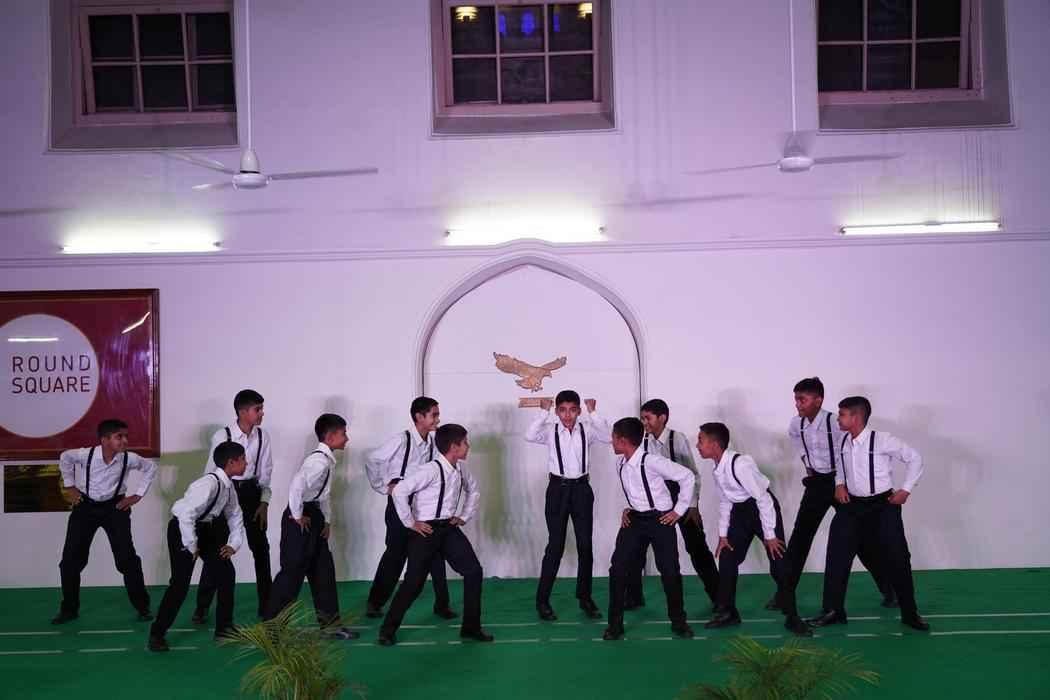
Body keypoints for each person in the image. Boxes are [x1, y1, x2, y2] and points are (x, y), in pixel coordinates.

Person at [771, 377, 894, 613]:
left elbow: (846, 453)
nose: (797, 404)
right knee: (799, 538)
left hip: (840, 485)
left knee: (861, 540)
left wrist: (842, 484)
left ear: (818, 400)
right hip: (816, 484)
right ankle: (783, 594)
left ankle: (890, 590)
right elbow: (796, 441)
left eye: (802, 399)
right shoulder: (796, 424)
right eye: (796, 399)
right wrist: (807, 463)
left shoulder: (833, 422)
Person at [808, 397, 929, 632]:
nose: (838, 418)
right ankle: (833, 611)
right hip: (852, 507)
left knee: (898, 557)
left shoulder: (882, 439)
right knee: (837, 554)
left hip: (883, 506)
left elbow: (915, 458)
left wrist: (906, 489)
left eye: (842, 414)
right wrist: (839, 484)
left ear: (855, 417)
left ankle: (909, 613)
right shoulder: (844, 440)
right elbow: (840, 465)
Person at [378, 424, 492, 646]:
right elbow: (399, 491)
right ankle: (387, 630)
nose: (468, 446)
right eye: (465, 442)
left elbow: (474, 490)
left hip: (448, 529)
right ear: (454, 447)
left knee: (473, 571)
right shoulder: (429, 470)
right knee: (413, 583)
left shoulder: (461, 469)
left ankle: (471, 628)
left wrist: (464, 516)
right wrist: (411, 523)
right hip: (426, 531)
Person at [698, 422, 809, 635]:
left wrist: (770, 535)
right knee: (727, 557)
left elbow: (763, 499)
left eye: (700, 440)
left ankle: (793, 617)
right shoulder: (717, 467)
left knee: (779, 563)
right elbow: (726, 500)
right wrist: (723, 535)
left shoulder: (740, 465)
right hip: (740, 514)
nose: (698, 445)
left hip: (761, 510)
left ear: (714, 444)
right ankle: (728, 612)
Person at [52, 418, 156, 624]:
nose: (125, 441)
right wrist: (70, 486)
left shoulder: (130, 458)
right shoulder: (85, 455)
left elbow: (150, 467)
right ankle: (69, 609)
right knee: (70, 561)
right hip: (85, 507)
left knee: (127, 559)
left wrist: (137, 495)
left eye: (126, 436)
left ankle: (143, 607)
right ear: (105, 440)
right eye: (119, 437)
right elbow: (65, 457)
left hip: (115, 509)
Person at [263, 414, 358, 639]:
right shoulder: (319, 462)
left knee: (324, 572)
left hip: (313, 517)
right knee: (291, 575)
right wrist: (297, 515)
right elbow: (297, 486)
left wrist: (326, 521)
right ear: (331, 436)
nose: (347, 438)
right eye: (343, 433)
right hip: (300, 519)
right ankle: (271, 629)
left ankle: (331, 625)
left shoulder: (326, 461)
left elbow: (322, 495)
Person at [148, 441, 246, 651]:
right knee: (180, 584)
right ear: (231, 462)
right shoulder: (207, 484)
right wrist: (192, 546)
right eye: (243, 459)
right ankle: (157, 634)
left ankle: (224, 629)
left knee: (226, 574)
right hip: (183, 530)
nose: (247, 463)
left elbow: (235, 515)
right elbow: (186, 515)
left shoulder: (228, 487)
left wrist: (233, 544)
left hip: (207, 530)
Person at [603, 417, 695, 640]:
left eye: (613, 438)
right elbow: (633, 490)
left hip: (660, 520)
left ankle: (679, 622)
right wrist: (628, 508)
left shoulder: (652, 461)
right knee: (617, 569)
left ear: (623, 441)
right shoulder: (620, 463)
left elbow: (687, 476)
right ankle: (614, 626)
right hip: (635, 520)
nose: (611, 441)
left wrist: (678, 510)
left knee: (670, 571)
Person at [363, 396, 454, 620]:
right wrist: (383, 487)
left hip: (424, 504)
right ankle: (375, 602)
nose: (438, 419)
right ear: (419, 417)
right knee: (396, 554)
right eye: (434, 414)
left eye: (437, 414)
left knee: (434, 552)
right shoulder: (401, 440)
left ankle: (442, 604)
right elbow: (372, 459)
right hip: (400, 501)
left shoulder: (433, 442)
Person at [524, 390, 611, 621]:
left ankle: (585, 598)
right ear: (557, 411)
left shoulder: (587, 429)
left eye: (572, 410)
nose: (568, 415)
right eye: (562, 410)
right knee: (555, 546)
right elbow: (529, 435)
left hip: (582, 489)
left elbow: (608, 437)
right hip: (558, 490)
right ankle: (542, 600)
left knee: (585, 545)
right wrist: (543, 412)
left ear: (579, 411)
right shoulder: (550, 430)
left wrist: (594, 412)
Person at [625, 399, 719, 610]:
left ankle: (719, 598)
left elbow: (692, 474)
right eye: (642, 418)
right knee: (637, 548)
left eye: (647, 418)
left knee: (697, 548)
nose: (644, 422)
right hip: (656, 500)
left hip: (681, 496)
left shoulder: (677, 439)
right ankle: (634, 597)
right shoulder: (643, 441)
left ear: (662, 418)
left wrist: (692, 506)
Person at [194, 389, 274, 623]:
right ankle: (202, 607)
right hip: (226, 493)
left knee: (261, 550)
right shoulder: (223, 435)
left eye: (261, 408)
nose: (262, 413)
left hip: (252, 494)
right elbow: (211, 472)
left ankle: (267, 605)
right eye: (258, 409)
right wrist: (210, 507)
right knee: (217, 550)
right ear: (242, 412)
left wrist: (264, 502)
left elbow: (266, 472)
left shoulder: (263, 436)